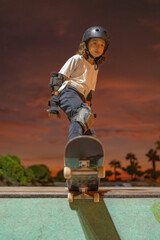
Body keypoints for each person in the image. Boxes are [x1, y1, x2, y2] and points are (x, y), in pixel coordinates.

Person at [47, 26, 110, 140]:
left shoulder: (95, 68)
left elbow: (89, 93)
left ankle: (87, 151)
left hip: (80, 98)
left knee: (87, 128)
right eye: (94, 43)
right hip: (68, 92)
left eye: (102, 45)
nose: (98, 47)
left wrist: (89, 115)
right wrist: (53, 103)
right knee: (81, 114)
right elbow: (58, 79)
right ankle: (74, 144)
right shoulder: (77, 59)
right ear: (85, 45)